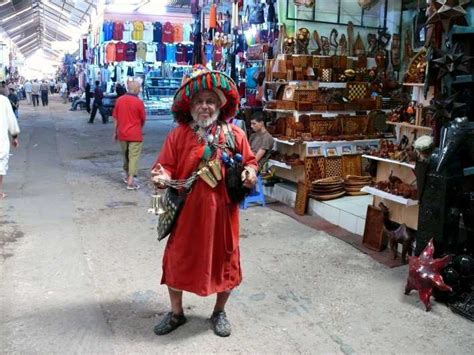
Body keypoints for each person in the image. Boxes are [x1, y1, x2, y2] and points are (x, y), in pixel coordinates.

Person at [150, 66, 257, 337]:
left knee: (227, 263)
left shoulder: (236, 135)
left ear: (220, 104)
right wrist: (162, 175)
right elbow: (164, 166)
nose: (205, 106)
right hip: (187, 215)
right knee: (176, 260)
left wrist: (250, 172)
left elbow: (251, 161)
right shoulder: (178, 136)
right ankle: (176, 313)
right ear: (190, 106)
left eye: (210, 101)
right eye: (199, 101)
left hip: (223, 215)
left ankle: (219, 312)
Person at [112, 80, 146, 190]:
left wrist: (115, 132)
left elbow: (115, 118)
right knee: (133, 157)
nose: (140, 90)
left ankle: (127, 176)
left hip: (122, 133)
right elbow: (143, 119)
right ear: (135, 90)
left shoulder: (119, 100)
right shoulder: (139, 102)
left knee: (126, 155)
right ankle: (130, 181)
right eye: (139, 88)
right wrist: (139, 127)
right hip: (135, 134)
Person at [0, 94, 20, 199]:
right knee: (1, 164)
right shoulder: (3, 100)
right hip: (1, 139)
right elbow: (11, 119)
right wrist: (14, 136)